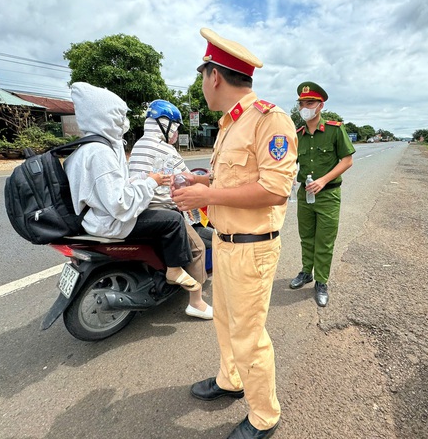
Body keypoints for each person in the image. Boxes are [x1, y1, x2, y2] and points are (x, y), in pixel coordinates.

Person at [172, 28, 297, 439]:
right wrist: (205, 181)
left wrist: (209, 192)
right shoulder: (230, 124)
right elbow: (235, 179)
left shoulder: (269, 118)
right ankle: (231, 380)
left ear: (215, 77)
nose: (202, 84)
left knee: (248, 335)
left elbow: (275, 189)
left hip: (252, 248)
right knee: (224, 322)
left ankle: (264, 415)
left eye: (202, 74)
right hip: (224, 244)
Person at [64, 82, 201, 292]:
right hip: (111, 220)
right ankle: (192, 293)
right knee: (177, 225)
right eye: (119, 115)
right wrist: (152, 181)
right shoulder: (102, 153)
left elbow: (108, 189)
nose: (124, 122)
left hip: (96, 217)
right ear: (105, 116)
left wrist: (139, 182)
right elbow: (120, 204)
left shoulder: (84, 149)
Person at [127, 99, 213, 320]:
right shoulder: (165, 149)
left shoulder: (139, 144)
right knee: (199, 248)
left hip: (138, 208)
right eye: (175, 126)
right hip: (161, 210)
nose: (175, 132)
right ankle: (197, 301)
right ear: (164, 125)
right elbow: (187, 177)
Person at [289, 81, 355, 307]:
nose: (304, 107)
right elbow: (289, 162)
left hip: (327, 196)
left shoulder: (335, 130)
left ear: (320, 106)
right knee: (306, 237)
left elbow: (347, 160)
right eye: (301, 103)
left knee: (324, 241)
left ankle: (321, 281)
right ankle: (306, 271)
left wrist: (323, 180)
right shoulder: (297, 134)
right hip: (304, 196)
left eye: (310, 102)